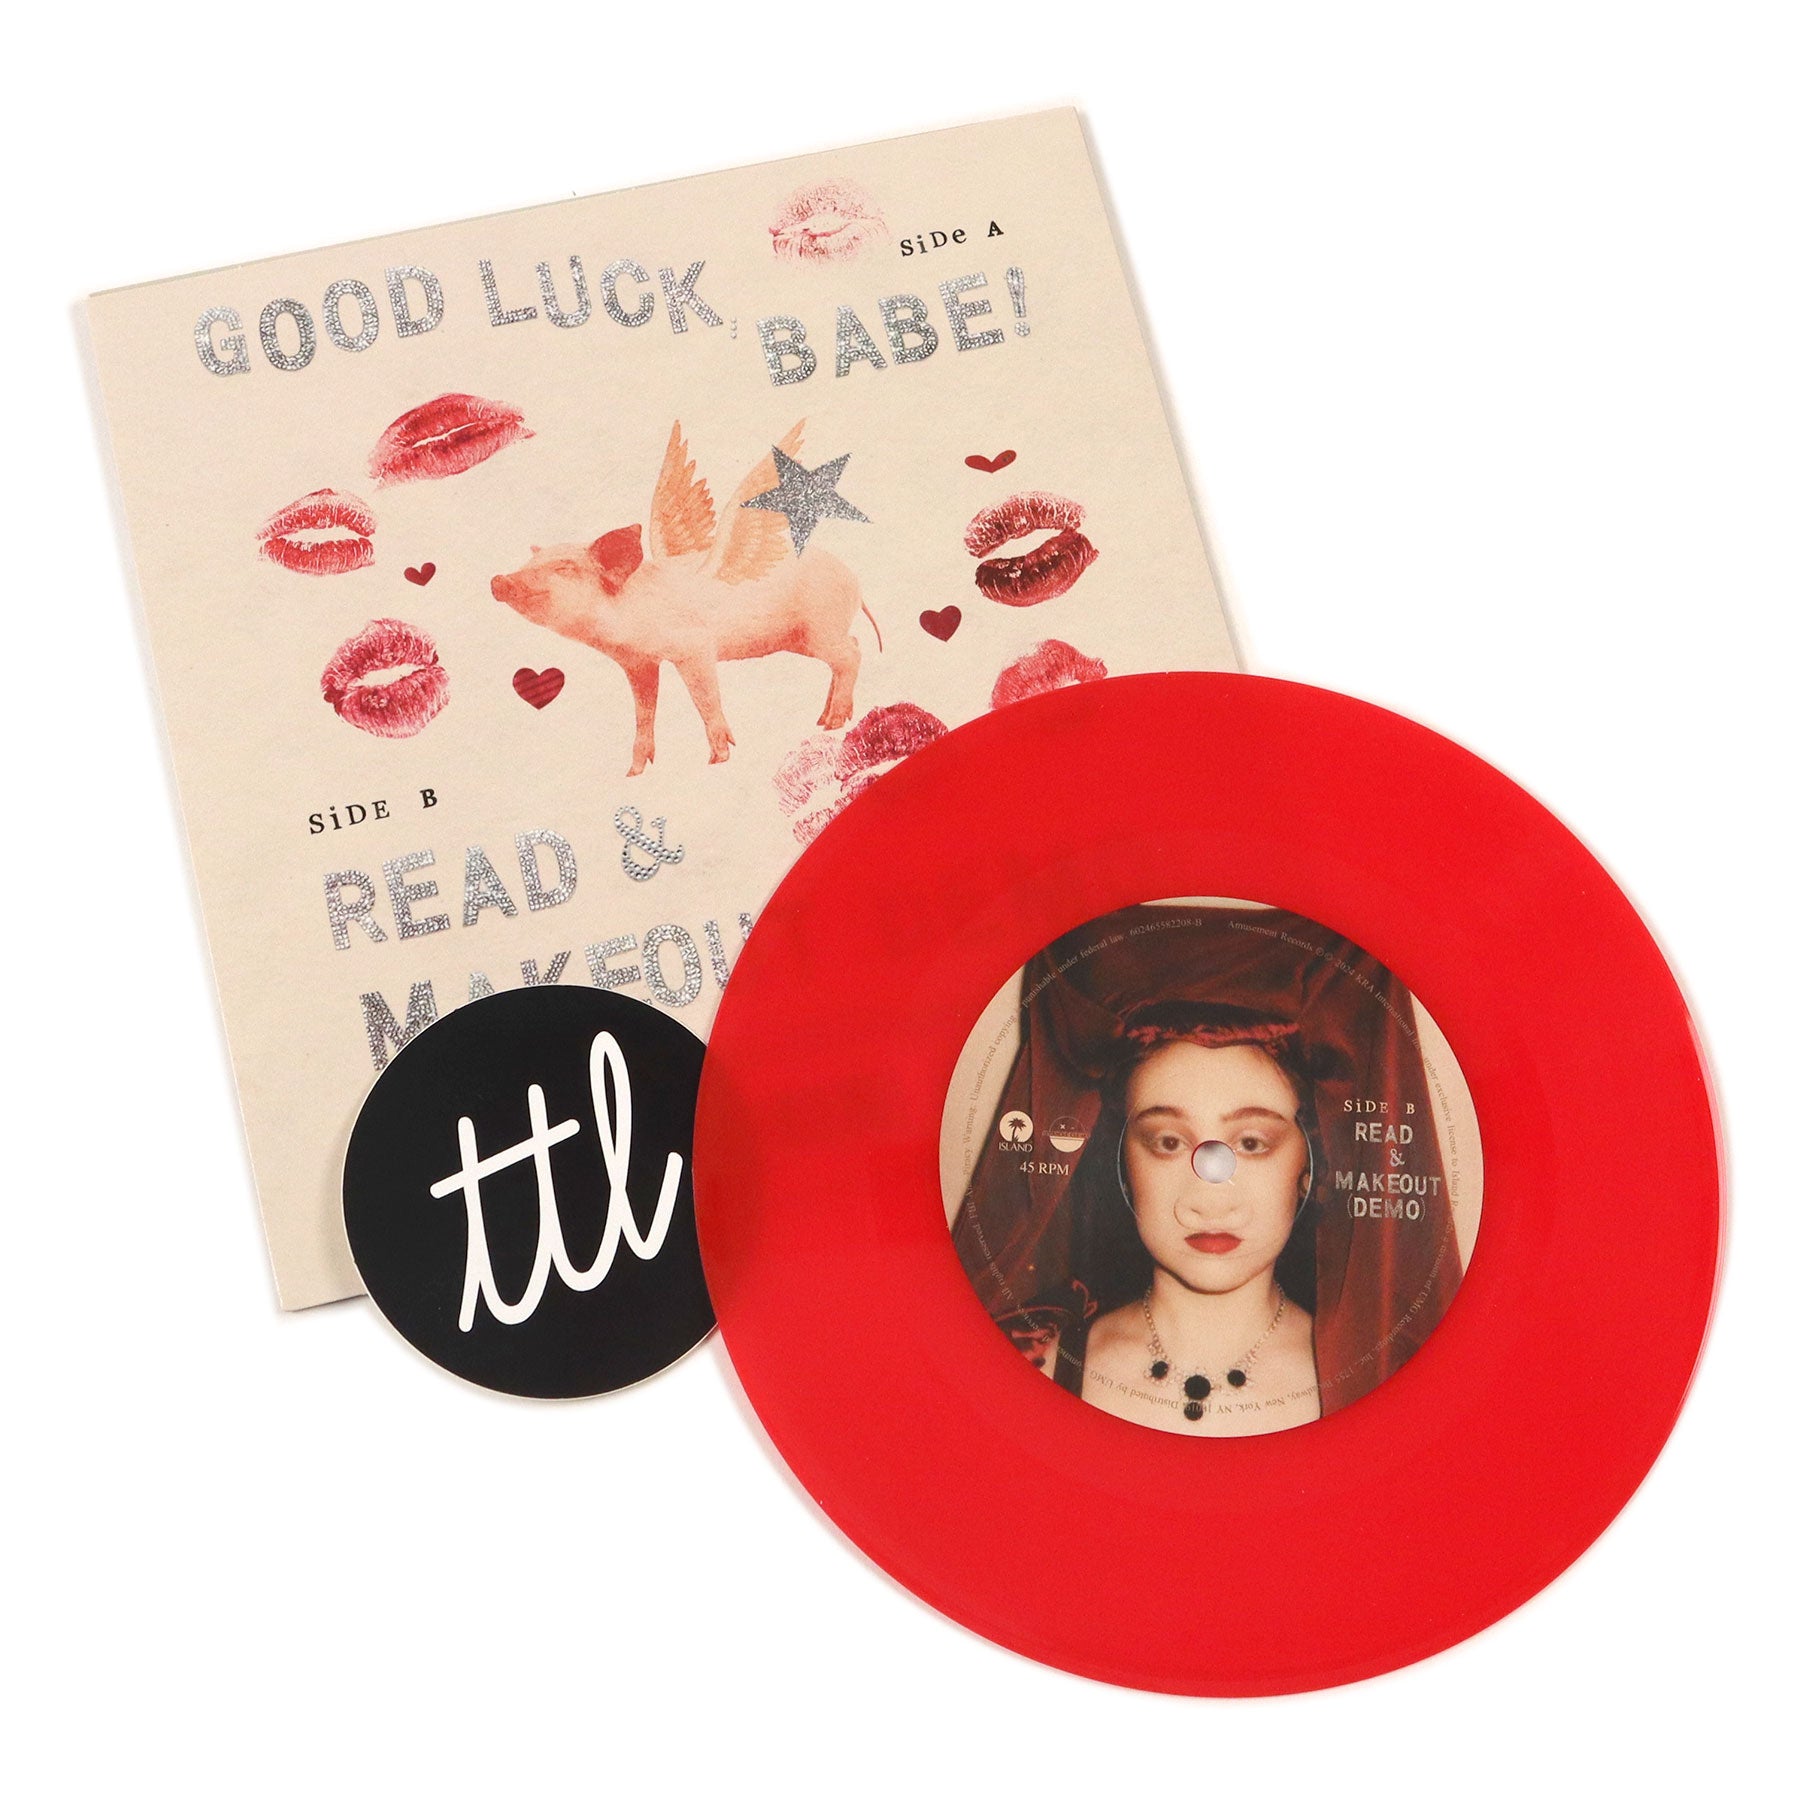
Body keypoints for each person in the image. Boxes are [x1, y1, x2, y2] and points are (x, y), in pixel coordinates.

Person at [1072, 1001, 1325, 1437]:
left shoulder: (1373, 1374)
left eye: (1251, 1143)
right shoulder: (1034, 1363)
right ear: (1124, 1166)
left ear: (1306, 1169)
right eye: (1169, 1142)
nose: (1210, 1202)